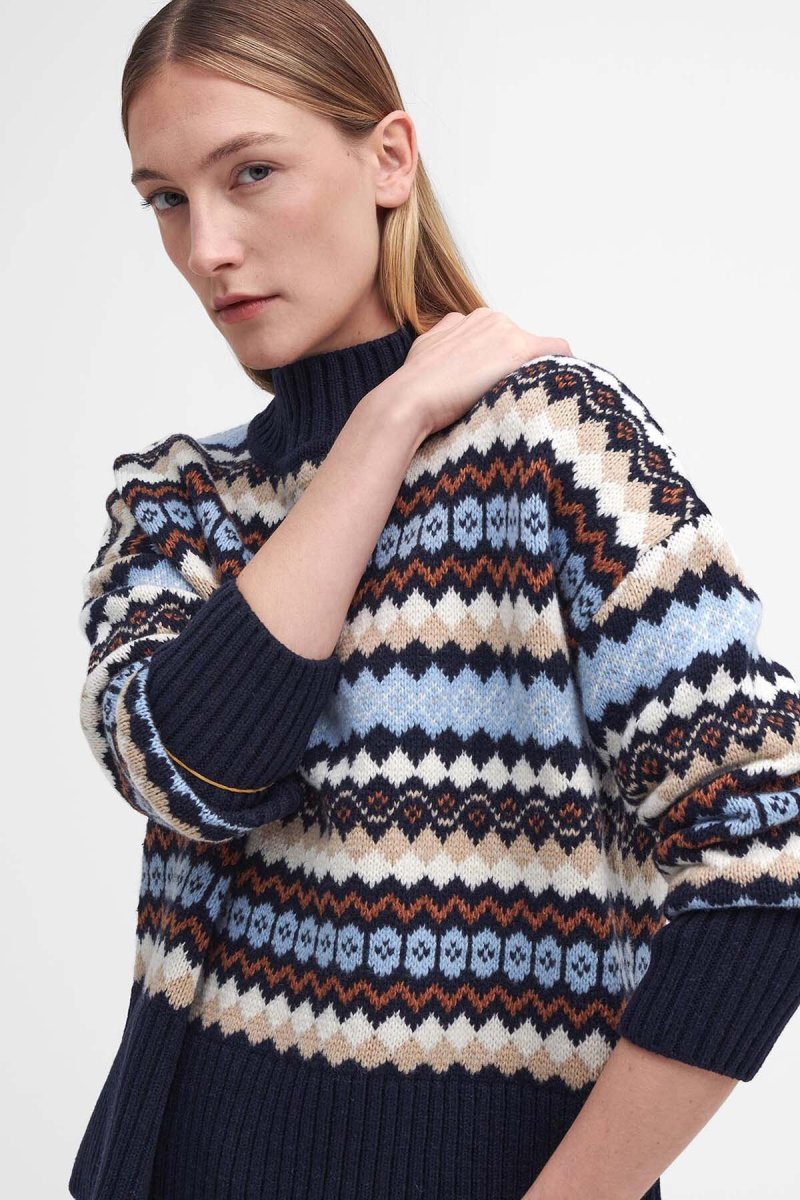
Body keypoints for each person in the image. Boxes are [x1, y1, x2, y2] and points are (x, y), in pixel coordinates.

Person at [69, 2, 800, 1199]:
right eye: (165, 198)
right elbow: (189, 772)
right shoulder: (178, 498)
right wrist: (384, 426)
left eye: (249, 172)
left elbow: (763, 850)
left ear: (387, 159)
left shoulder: (555, 447)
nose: (206, 247)